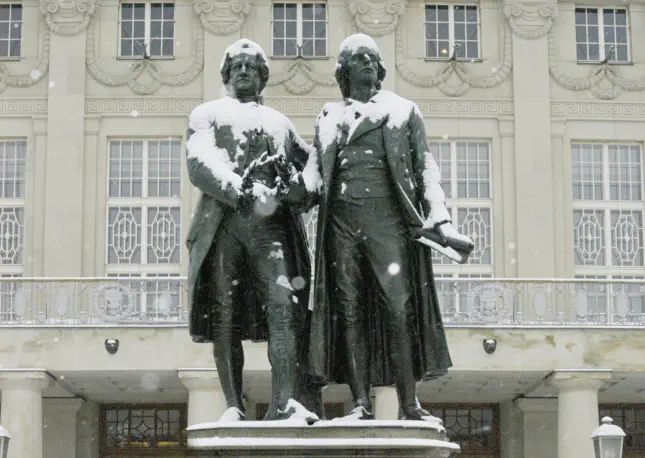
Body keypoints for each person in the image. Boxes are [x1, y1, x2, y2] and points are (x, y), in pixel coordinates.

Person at [307, 33, 473, 421]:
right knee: (349, 312)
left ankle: (409, 403)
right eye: (358, 58)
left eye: (372, 57)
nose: (367, 62)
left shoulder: (403, 111)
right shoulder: (328, 117)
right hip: (341, 226)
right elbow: (313, 176)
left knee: (399, 311)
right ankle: (361, 403)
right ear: (343, 71)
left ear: (379, 69)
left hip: (388, 224)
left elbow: (425, 169)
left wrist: (440, 219)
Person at [185, 38, 321, 423]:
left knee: (283, 310)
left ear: (263, 76)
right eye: (237, 66)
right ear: (227, 75)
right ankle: (233, 405)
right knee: (224, 316)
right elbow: (199, 162)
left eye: (251, 66)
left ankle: (285, 402)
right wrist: (237, 188)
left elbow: (313, 168)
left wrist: (297, 187)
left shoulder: (281, 124)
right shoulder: (207, 114)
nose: (244, 71)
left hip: (272, 230)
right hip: (223, 227)